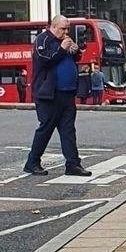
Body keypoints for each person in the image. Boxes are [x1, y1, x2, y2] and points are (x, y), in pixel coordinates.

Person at [23, 14, 92, 177]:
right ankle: (32, 162)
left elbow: (71, 61)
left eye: (68, 28)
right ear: (53, 27)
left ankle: (73, 164)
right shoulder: (43, 39)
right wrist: (62, 48)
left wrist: (75, 52)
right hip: (49, 94)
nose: (66, 32)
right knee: (46, 128)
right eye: (63, 28)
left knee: (68, 130)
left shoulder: (65, 41)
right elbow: (45, 60)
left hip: (67, 93)